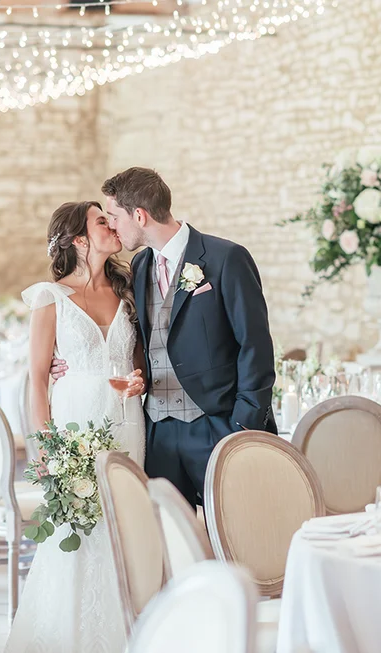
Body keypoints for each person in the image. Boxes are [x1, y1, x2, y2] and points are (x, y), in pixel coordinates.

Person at [51, 167, 276, 508]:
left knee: (235, 533)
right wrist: (70, 360)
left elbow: (255, 346)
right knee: (171, 541)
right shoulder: (139, 267)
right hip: (156, 431)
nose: (111, 225)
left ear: (139, 216)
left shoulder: (225, 258)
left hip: (217, 425)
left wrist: (242, 425)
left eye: (114, 216)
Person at [5, 201, 146, 653]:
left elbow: (138, 362)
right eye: (101, 221)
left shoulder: (128, 292)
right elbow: (38, 379)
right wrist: (43, 446)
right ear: (80, 240)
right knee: (79, 532)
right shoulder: (51, 298)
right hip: (75, 431)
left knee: (125, 528)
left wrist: (139, 379)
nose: (111, 226)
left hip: (127, 427)